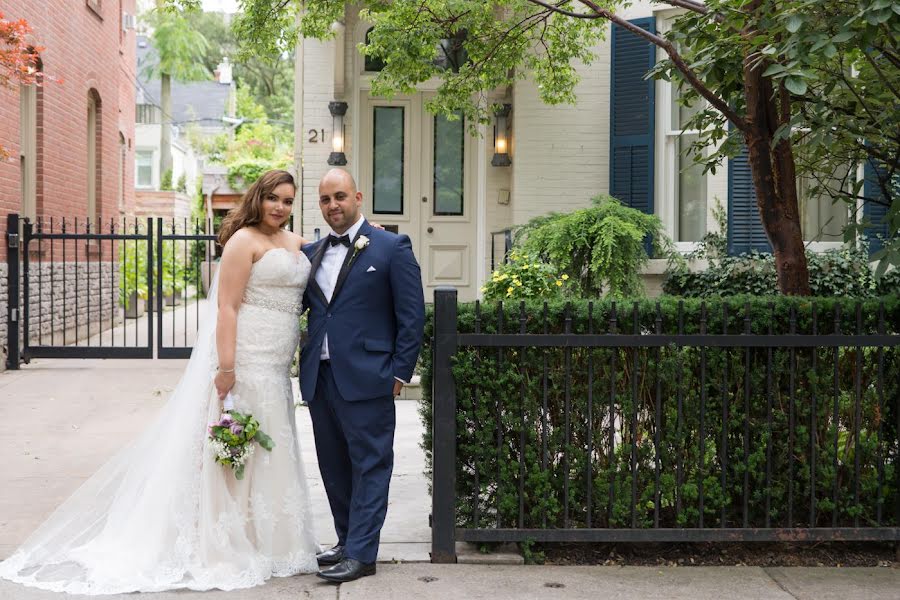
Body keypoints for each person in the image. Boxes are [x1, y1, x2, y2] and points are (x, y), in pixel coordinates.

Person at [0, 170, 319, 594]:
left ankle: (272, 543)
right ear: (257, 199)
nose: (279, 207)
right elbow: (227, 308)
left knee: (272, 449)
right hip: (244, 361)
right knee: (237, 451)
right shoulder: (244, 242)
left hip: (277, 369)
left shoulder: (295, 243)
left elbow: (326, 256)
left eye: (287, 201)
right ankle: (226, 542)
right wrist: (226, 368)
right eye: (272, 198)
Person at [301, 168, 425, 583]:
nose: (332, 205)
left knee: (370, 464)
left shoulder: (392, 247)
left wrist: (400, 373)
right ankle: (345, 541)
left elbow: (412, 315)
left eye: (339, 196)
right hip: (320, 376)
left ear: (358, 197)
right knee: (333, 465)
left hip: (370, 375)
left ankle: (363, 554)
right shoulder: (312, 252)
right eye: (324, 199)